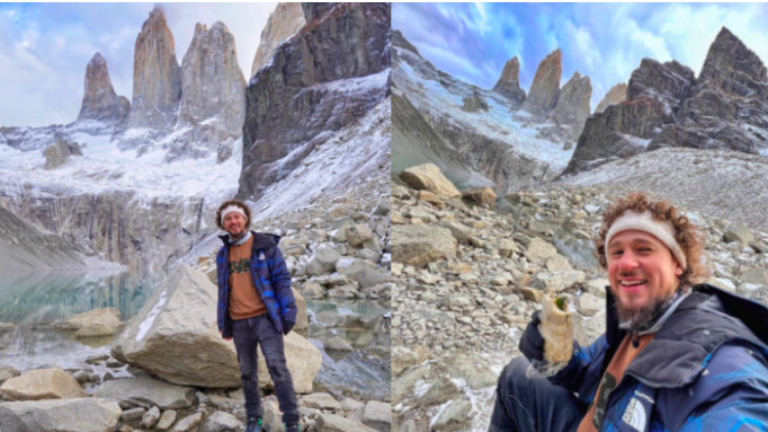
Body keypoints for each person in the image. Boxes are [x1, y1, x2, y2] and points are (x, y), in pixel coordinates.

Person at [489, 192, 768, 431]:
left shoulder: (720, 360)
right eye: (617, 252)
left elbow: (739, 408)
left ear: (678, 264)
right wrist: (555, 356)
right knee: (517, 375)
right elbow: (594, 375)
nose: (626, 264)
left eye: (643, 249)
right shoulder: (638, 325)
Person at [215, 199, 300, 432]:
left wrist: (288, 311)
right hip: (239, 321)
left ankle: (291, 421)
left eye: (236, 217)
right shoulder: (223, 254)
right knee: (247, 372)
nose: (233, 222)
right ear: (224, 224)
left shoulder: (265, 246)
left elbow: (281, 280)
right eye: (228, 219)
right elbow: (223, 291)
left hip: (265, 318)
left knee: (277, 368)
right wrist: (223, 322)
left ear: (245, 219)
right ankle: (255, 418)